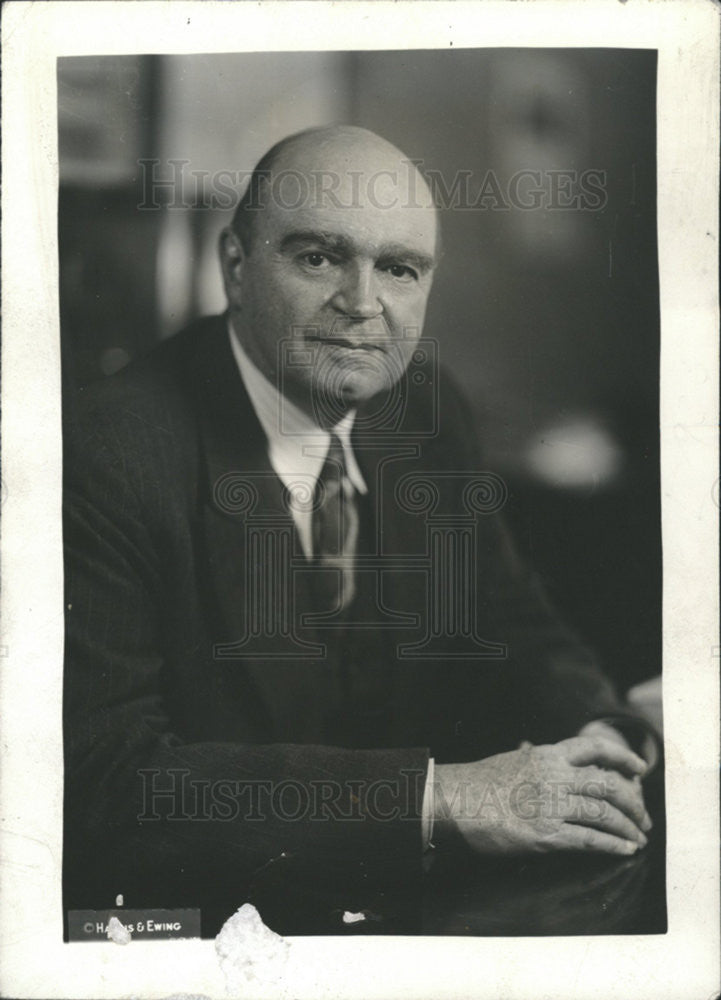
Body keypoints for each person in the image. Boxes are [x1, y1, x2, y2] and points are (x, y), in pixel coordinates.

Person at [62, 125, 658, 937]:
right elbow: (109, 784)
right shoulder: (103, 455)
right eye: (318, 259)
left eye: (399, 270)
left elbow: (507, 618)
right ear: (235, 267)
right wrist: (437, 797)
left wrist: (603, 730)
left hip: (399, 914)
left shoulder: (426, 408)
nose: (363, 304)